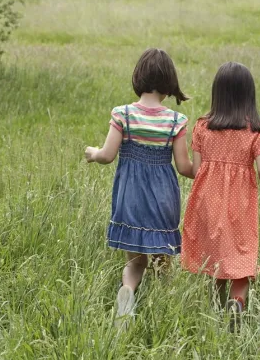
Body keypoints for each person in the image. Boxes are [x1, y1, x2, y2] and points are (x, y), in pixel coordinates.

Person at [85, 48, 193, 330]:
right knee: (162, 260)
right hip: (163, 197)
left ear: (138, 77)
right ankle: (164, 305)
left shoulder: (123, 114)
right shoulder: (174, 121)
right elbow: (184, 167)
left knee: (134, 261)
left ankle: (129, 292)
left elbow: (107, 155)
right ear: (169, 82)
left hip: (130, 195)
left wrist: (93, 152)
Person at [181, 62, 260, 332]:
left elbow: (196, 169)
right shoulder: (257, 131)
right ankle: (237, 302)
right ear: (249, 95)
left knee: (216, 253)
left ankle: (216, 301)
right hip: (240, 204)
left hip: (206, 200)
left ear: (218, 94)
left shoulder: (203, 127)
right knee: (241, 255)